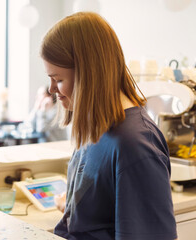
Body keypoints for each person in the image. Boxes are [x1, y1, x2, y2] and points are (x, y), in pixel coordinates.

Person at [41, 12, 177, 240]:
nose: (52, 89)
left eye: (58, 79)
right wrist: (75, 207)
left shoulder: (135, 144)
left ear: (88, 74)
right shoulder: (97, 127)